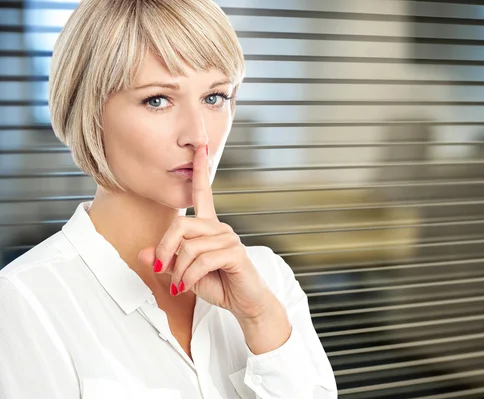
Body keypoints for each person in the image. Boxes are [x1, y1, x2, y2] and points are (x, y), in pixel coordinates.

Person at [0, 1, 337, 398]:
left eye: (214, 97)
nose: (199, 136)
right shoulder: (24, 301)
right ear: (88, 111)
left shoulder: (267, 279)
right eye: (157, 99)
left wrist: (259, 318)